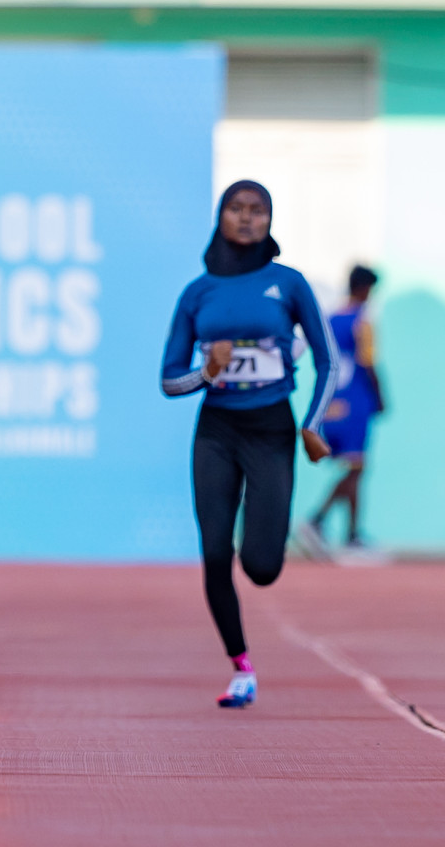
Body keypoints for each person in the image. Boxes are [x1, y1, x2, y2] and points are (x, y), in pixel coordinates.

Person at [160, 180, 338, 708]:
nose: (246, 219)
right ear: (220, 217)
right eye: (236, 209)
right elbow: (169, 381)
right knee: (215, 552)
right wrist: (204, 372)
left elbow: (329, 359)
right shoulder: (198, 292)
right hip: (216, 431)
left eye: (257, 211)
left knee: (261, 567)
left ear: (269, 220)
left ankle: (264, 545)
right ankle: (241, 667)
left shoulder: (288, 284)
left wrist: (313, 423)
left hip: (271, 431)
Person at [297, 266, 386, 558]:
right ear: (364, 289)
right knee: (357, 468)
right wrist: (380, 396)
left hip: (334, 403)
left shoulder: (331, 319)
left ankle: (350, 535)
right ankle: (318, 521)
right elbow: (368, 362)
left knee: (354, 469)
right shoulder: (363, 321)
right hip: (357, 402)